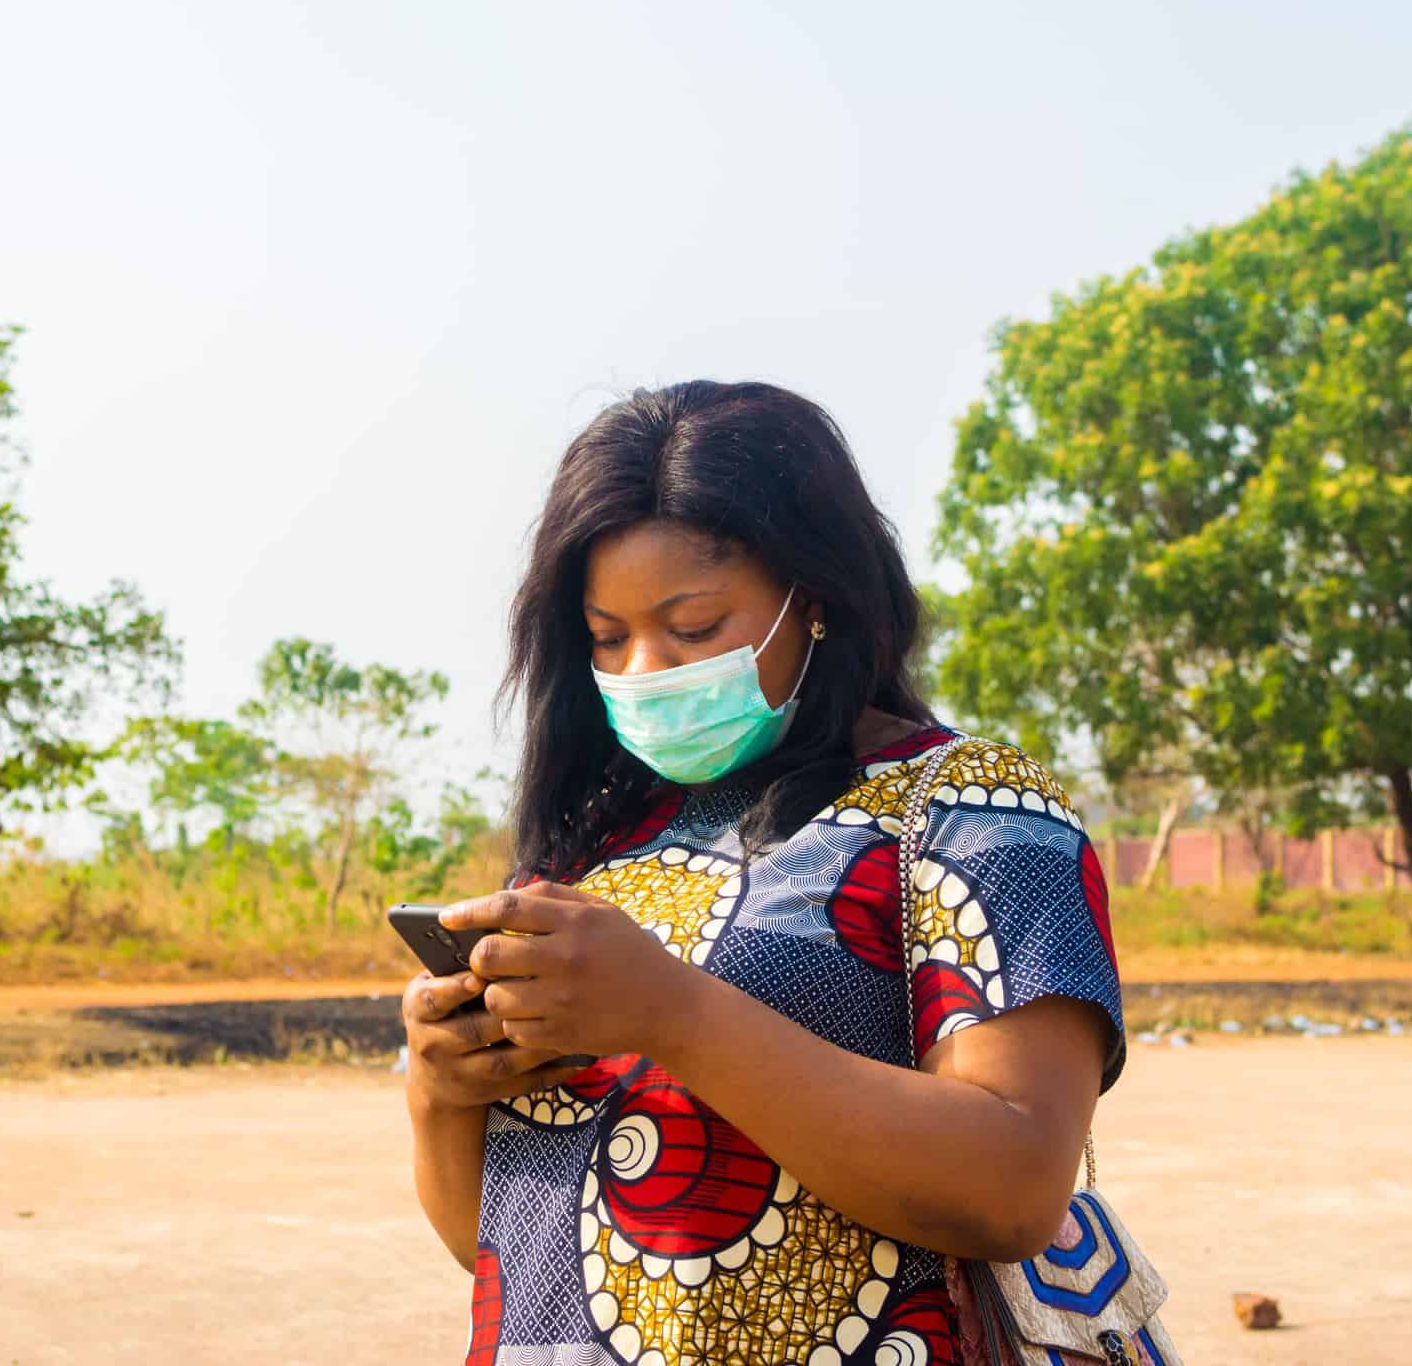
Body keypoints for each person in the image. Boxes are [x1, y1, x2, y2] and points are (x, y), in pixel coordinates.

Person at [403, 381, 1125, 1366]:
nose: (648, 668)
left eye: (692, 625)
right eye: (607, 638)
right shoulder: (588, 844)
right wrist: (443, 1093)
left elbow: (1015, 1187)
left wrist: (674, 1013)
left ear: (816, 596)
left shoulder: (972, 810)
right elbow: (512, 1251)